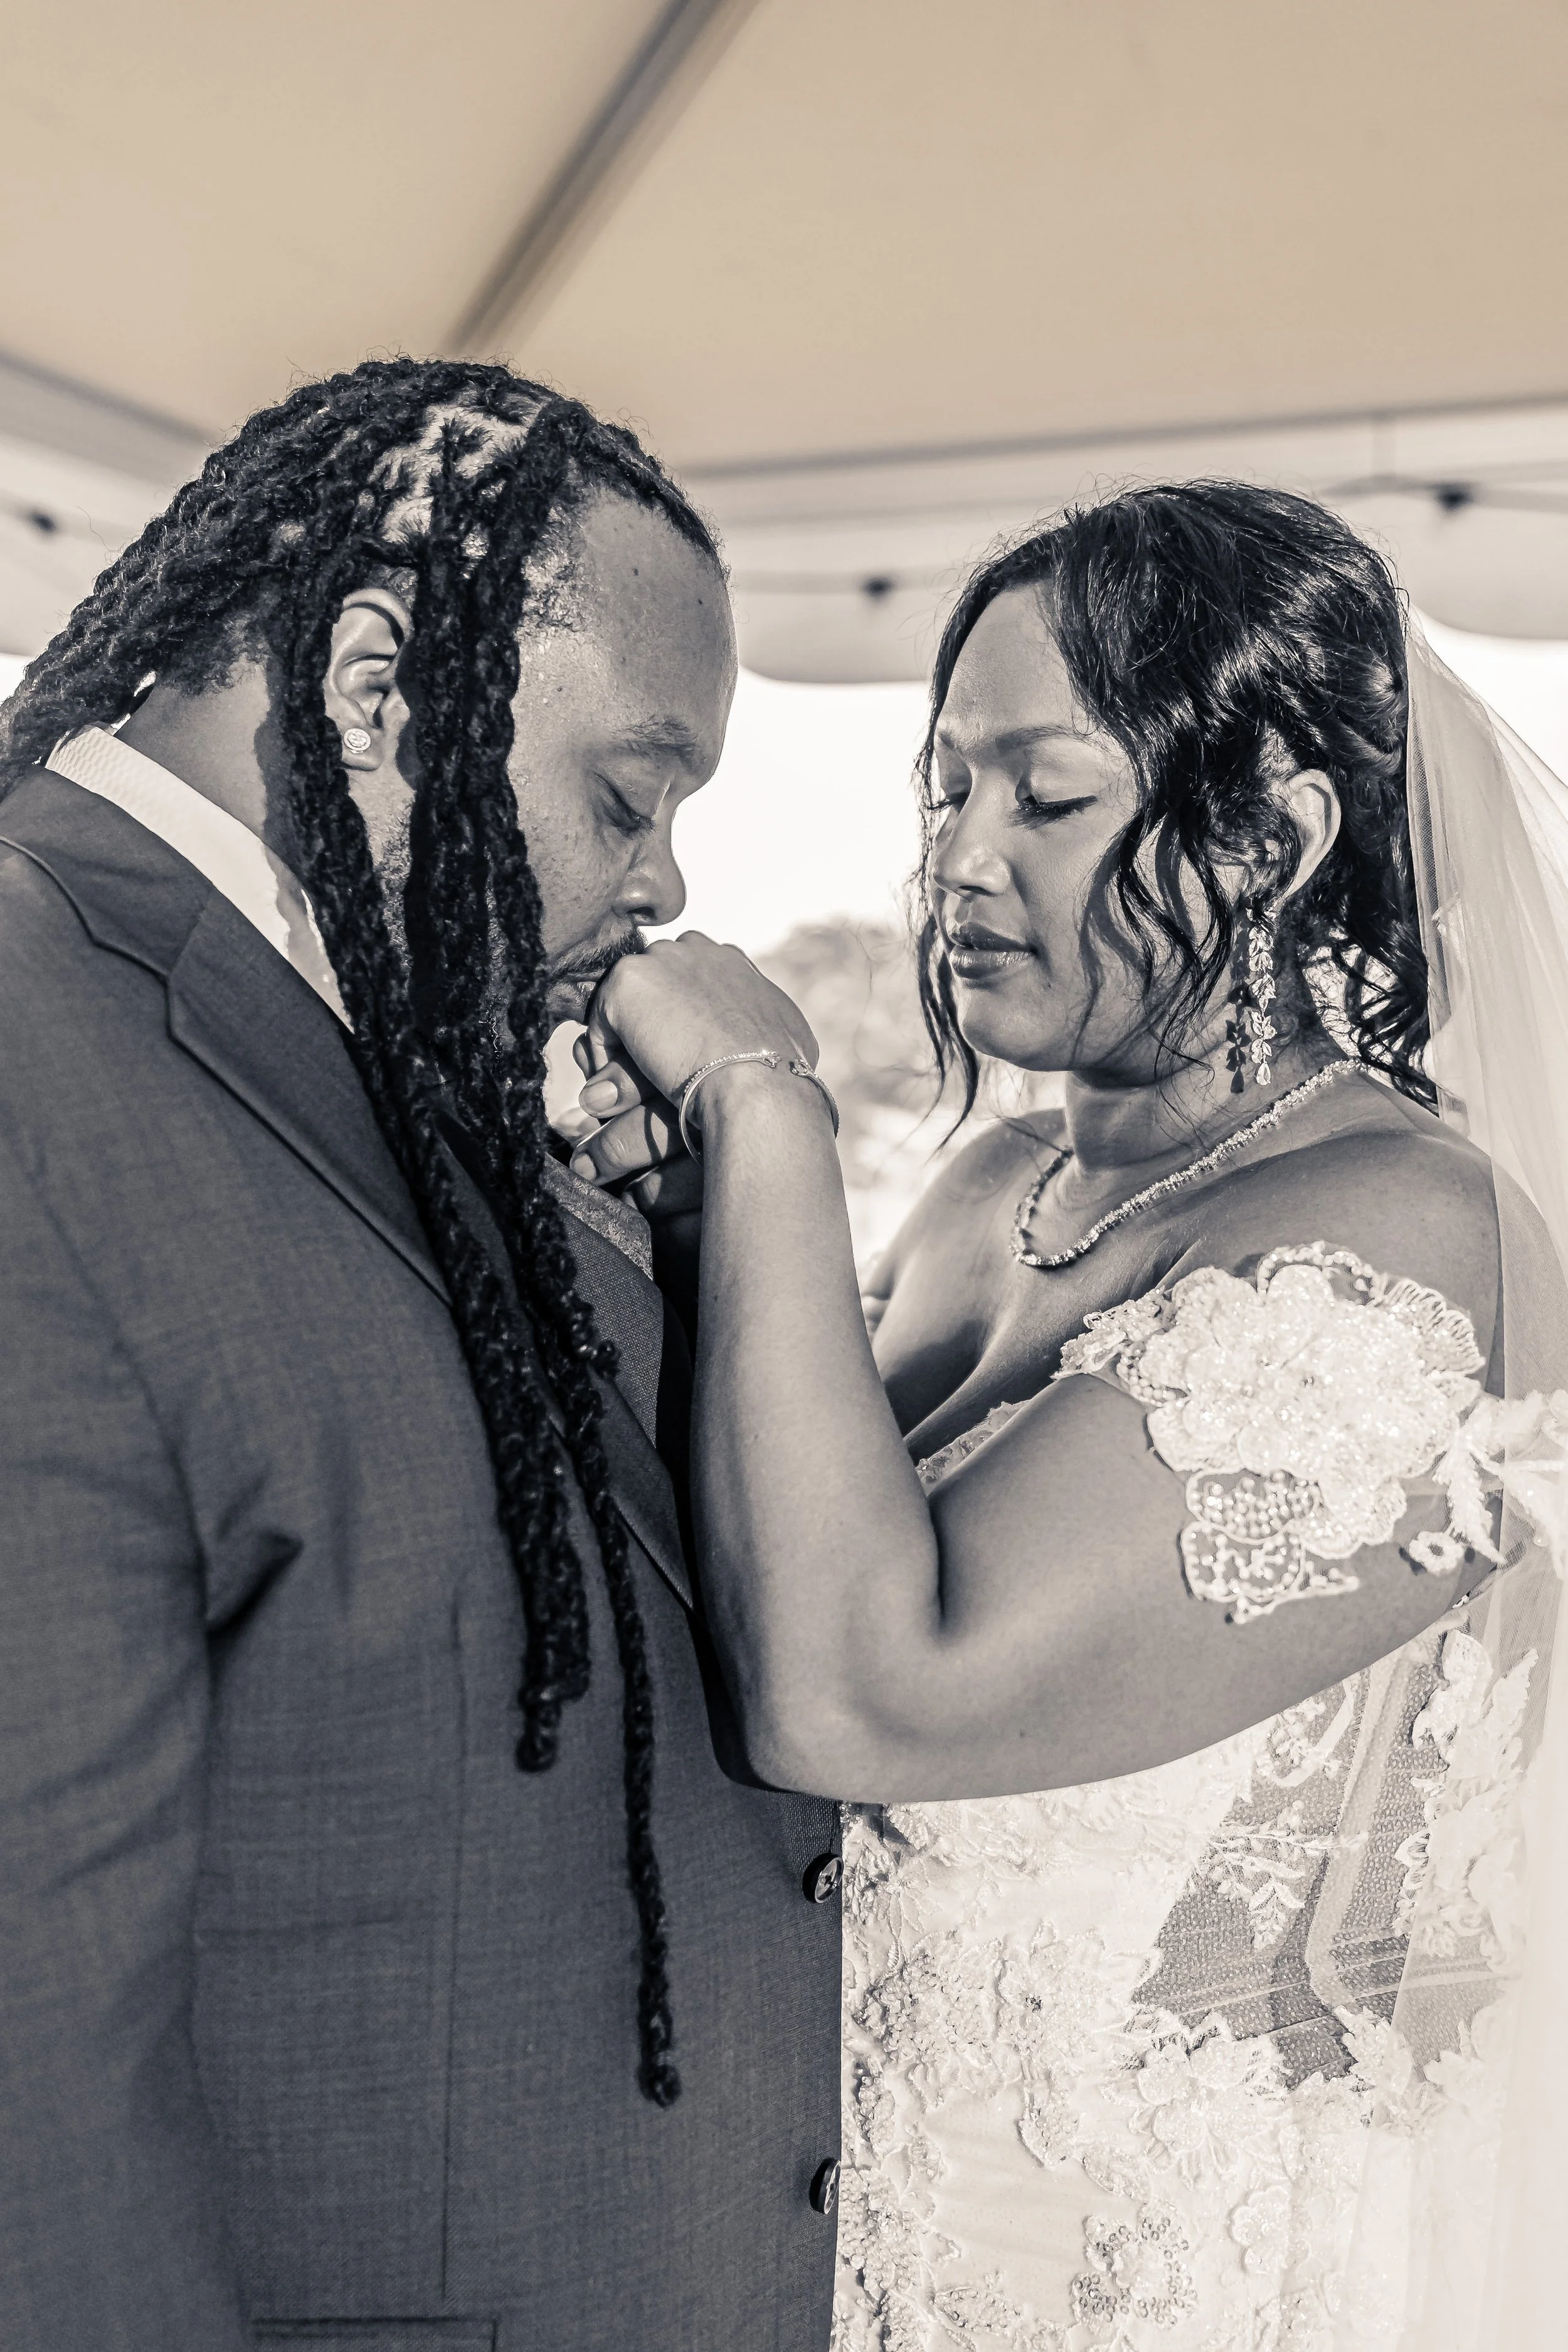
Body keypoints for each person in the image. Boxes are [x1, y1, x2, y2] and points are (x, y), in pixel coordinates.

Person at [574, 484, 1568, 2351]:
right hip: (825, 2240)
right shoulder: (988, 1189)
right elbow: (763, 1564)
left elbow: (856, 1690)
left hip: (1114, 2276)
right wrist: (684, 1221)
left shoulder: (1403, 1243)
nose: (956, 858)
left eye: (1044, 795)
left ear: (1272, 832)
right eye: (943, 786)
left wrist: (766, 1115)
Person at [0, 358, 842, 2352]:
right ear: (375, 689)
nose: (663, 889)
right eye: (626, 794)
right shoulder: (36, 1038)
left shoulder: (351, 1033)